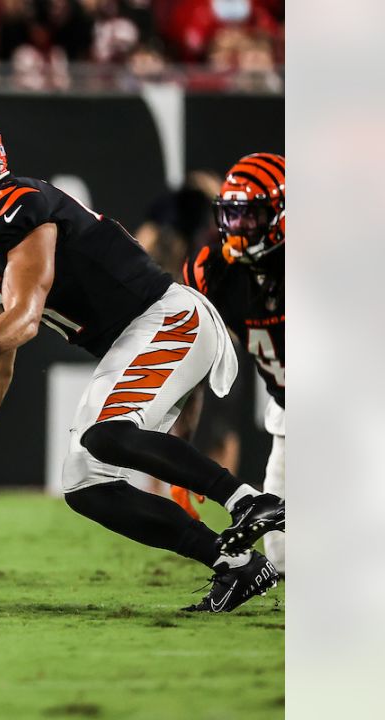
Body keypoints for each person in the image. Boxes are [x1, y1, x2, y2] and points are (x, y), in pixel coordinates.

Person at [0, 117, 283, 610]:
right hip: (135, 337)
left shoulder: (14, 204)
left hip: (167, 317)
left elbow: (25, 315)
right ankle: (234, 565)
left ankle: (250, 501)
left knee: (106, 434)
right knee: (86, 483)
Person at [181, 153, 285, 573]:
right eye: (233, 215)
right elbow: (190, 363)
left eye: (251, 217)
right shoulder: (213, 270)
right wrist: (179, 452)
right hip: (289, 407)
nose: (239, 229)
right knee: (280, 558)